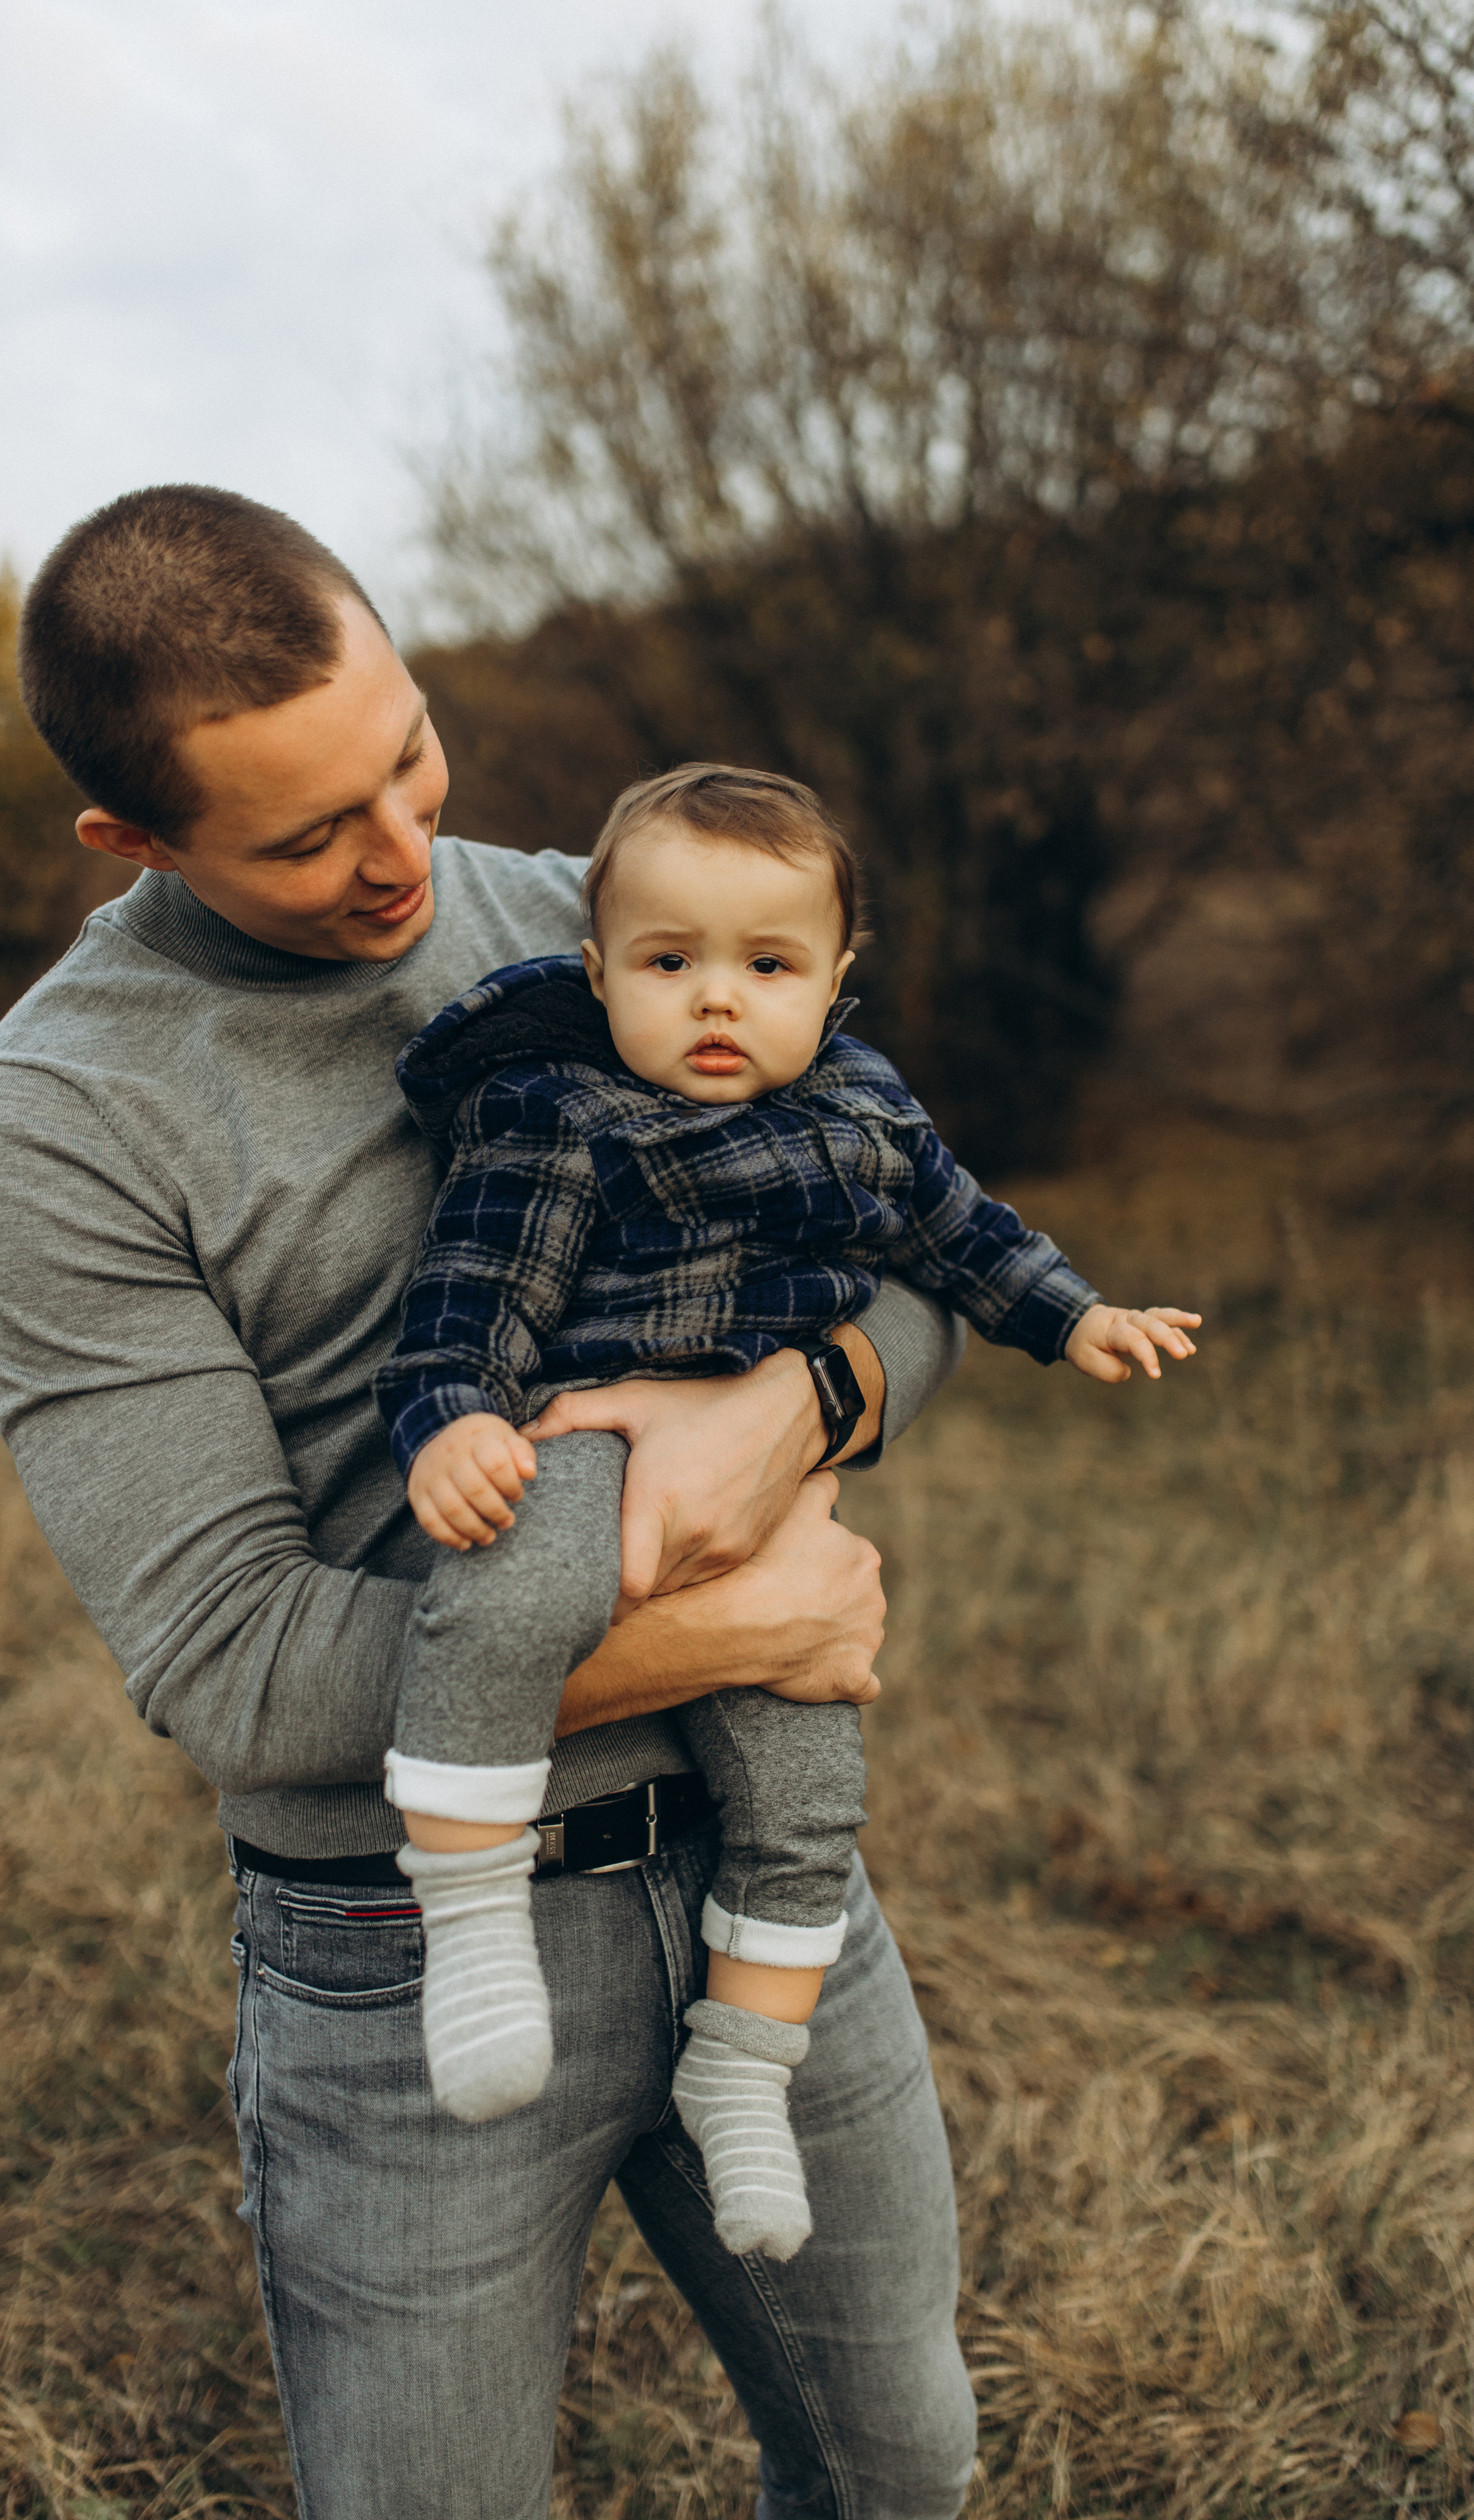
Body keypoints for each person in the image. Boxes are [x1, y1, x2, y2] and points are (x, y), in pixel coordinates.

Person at [0, 485, 979, 2520]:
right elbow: (243, 1675)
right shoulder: (64, 1121)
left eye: (411, 753)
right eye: (306, 834)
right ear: (136, 839)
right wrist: (733, 1624)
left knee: (906, 2467)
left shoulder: (589, 909)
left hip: (754, 1875)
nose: (402, 855)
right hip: (393, 1950)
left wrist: (803, 1404)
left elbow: (913, 1243)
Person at [373, 761, 1200, 2269]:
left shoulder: (866, 1109)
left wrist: (1071, 1315)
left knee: (806, 1768)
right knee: (497, 1596)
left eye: (766, 967)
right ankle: (474, 1933)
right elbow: (466, 1301)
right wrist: (451, 1429)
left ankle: (742, 2069)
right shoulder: (553, 1113)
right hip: (578, 1435)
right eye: (668, 963)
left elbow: (961, 1234)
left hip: (768, 1493)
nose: (714, 1002)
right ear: (597, 971)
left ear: (835, 981)